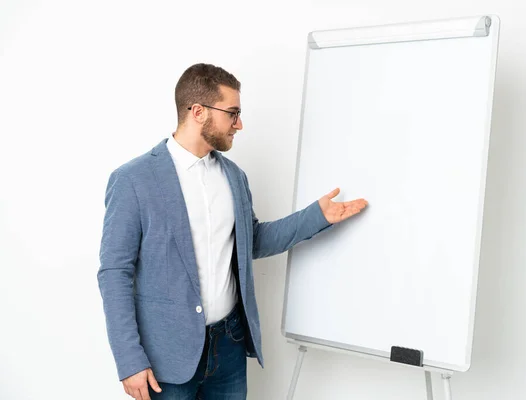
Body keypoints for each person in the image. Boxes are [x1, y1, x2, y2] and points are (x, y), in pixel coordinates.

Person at [97, 63, 368, 400]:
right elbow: (114, 272)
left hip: (229, 346)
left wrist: (317, 217)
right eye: (232, 113)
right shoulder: (133, 180)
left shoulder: (234, 177)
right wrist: (129, 359)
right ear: (198, 112)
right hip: (165, 357)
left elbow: (251, 241)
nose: (239, 124)